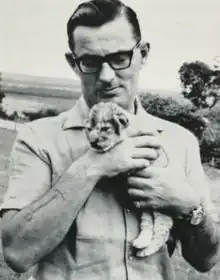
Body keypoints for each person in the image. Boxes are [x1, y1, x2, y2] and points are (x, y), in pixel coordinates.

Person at [1, 0, 220, 279]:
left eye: (119, 58)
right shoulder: (38, 139)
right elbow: (17, 253)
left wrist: (188, 206)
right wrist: (92, 167)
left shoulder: (180, 141)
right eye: (90, 62)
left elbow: (207, 260)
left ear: (143, 54)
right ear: (73, 63)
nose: (106, 77)